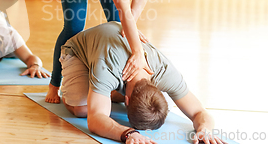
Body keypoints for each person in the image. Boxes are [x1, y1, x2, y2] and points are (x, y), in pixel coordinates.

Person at [60, 21, 225, 144]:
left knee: (103, 96)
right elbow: (95, 119)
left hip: (110, 47)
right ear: (127, 100)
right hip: (77, 52)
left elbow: (199, 112)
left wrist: (205, 129)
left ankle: (103, 92)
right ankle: (96, 92)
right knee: (82, 110)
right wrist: (128, 133)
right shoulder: (108, 67)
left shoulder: (165, 73)